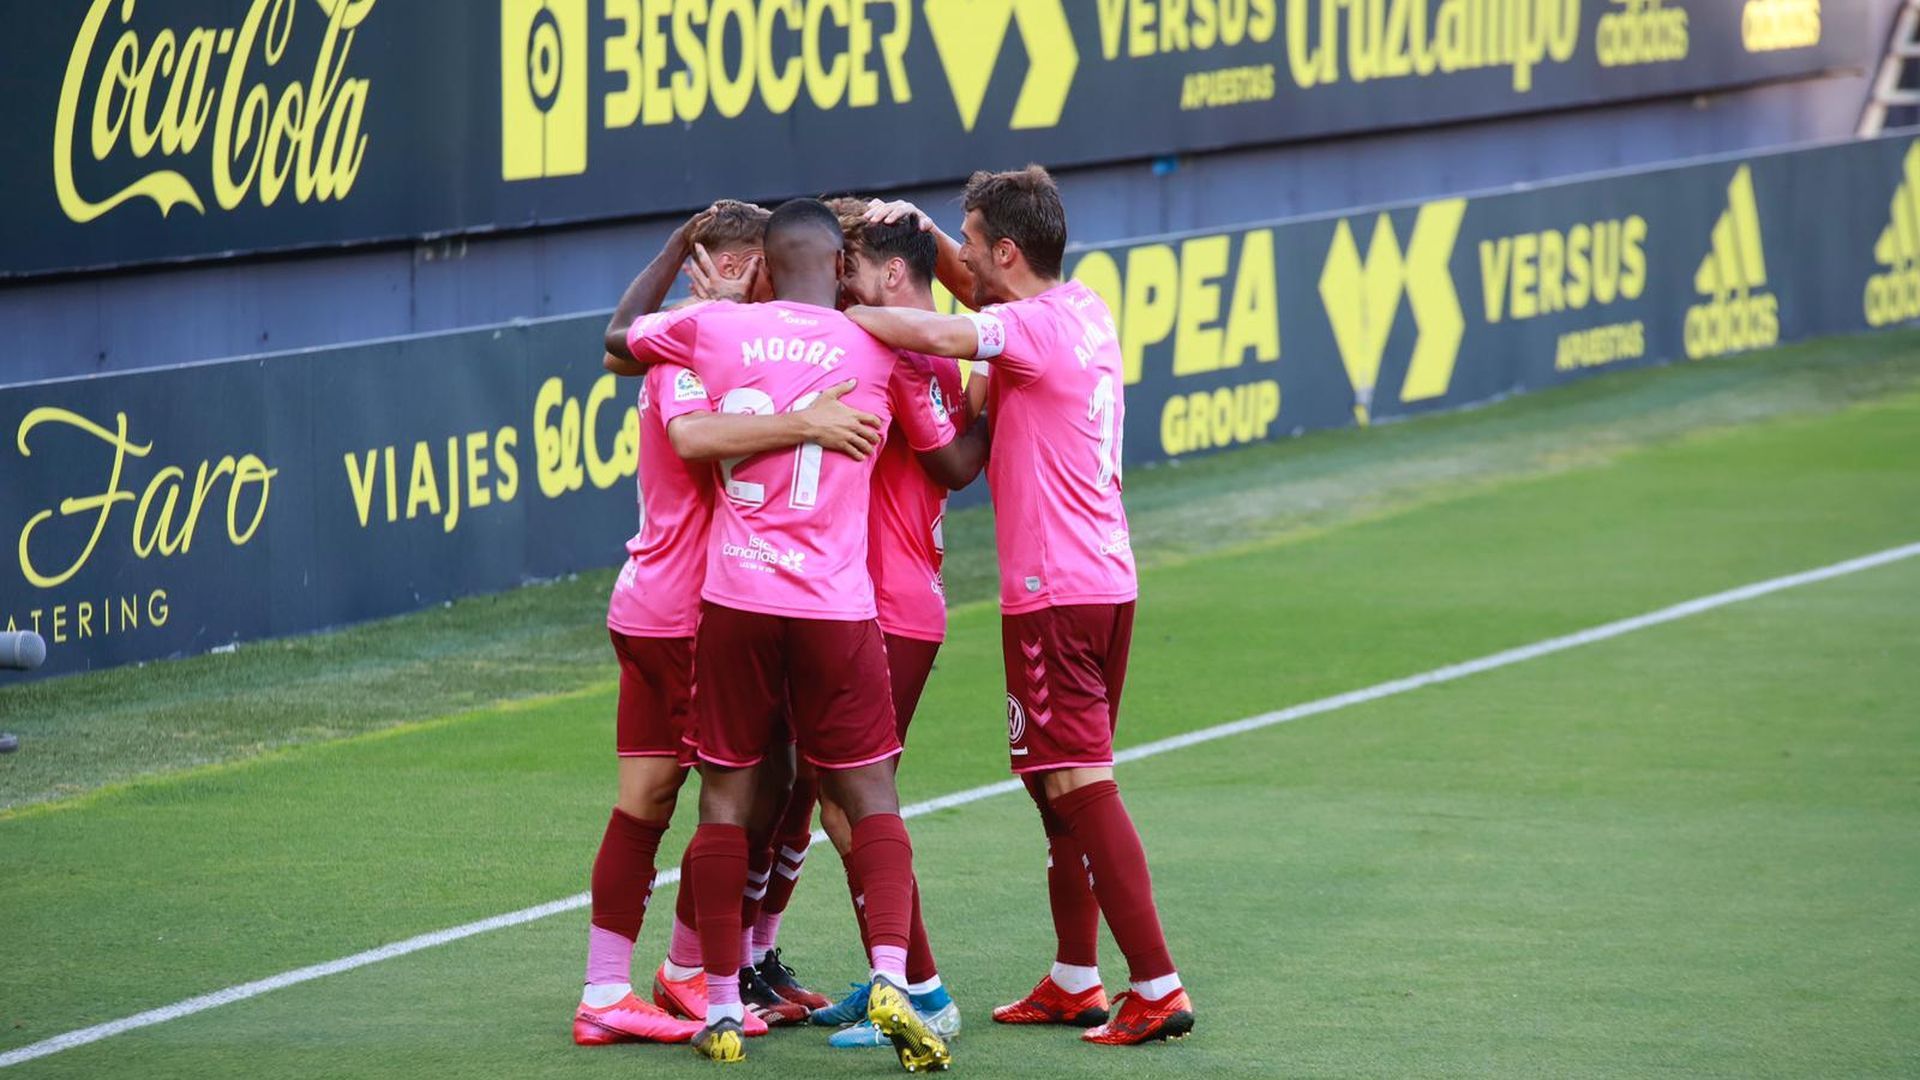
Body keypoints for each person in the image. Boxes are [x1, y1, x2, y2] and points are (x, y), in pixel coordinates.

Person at [848, 166, 1196, 1046]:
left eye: (970, 242)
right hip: (1107, 581)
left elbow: (934, 321)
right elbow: (976, 292)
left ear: (1006, 250)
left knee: (1081, 784)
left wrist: (828, 318)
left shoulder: (1023, 331)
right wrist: (924, 228)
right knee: (1053, 785)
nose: (959, 256)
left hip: (1055, 596)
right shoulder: (1082, 309)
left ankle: (1156, 985)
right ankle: (1077, 977)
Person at [618, 197, 960, 1069]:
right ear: (840, 262)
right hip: (839, 607)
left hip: (736, 598)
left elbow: (621, 339)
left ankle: (723, 1002)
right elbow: (976, 335)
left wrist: (681, 252)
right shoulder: (878, 336)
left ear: (762, 261)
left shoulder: (716, 331)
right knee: (868, 794)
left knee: (730, 798)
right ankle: (893, 975)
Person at [578, 205, 880, 1046]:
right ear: (743, 268)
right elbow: (682, 419)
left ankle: (625, 986)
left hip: (658, 600)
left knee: (682, 795)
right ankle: (681, 970)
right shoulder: (697, 344)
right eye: (761, 268)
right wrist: (809, 418)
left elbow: (618, 342)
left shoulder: (716, 339)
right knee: (725, 798)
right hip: (686, 611)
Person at [803, 201, 987, 1050]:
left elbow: (950, 466)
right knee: (846, 806)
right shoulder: (942, 334)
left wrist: (990, 415)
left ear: (888, 275)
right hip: (887, 601)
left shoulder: (908, 355)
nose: (839, 283)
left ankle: (922, 991)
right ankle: (900, 979)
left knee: (856, 808)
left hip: (889, 606)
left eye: (851, 267)